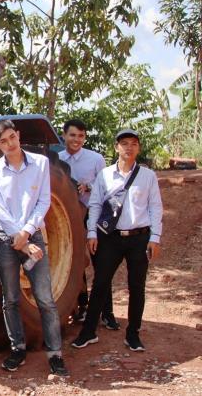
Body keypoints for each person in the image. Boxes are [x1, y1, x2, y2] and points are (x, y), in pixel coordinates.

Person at [0, 119, 69, 377]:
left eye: (12, 137)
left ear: (18, 135)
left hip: (32, 237)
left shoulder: (40, 163)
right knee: (10, 298)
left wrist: (26, 233)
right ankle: (17, 348)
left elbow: (43, 201)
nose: (10, 143)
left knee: (45, 298)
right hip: (5, 240)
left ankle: (55, 354)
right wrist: (19, 239)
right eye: (3, 141)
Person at [71, 129, 163, 352]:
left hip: (139, 238)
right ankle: (88, 332)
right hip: (109, 238)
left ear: (138, 148)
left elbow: (155, 207)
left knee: (137, 286)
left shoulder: (148, 176)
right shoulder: (104, 175)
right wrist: (92, 233)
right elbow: (95, 205)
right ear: (116, 147)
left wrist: (155, 237)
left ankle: (133, 334)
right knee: (100, 283)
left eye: (133, 143)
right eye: (124, 143)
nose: (129, 147)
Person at [59, 119, 115, 328]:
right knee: (74, 260)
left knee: (101, 262)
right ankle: (82, 306)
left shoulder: (95, 159)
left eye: (81, 136)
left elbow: (106, 186)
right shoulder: (57, 159)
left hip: (92, 214)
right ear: (64, 135)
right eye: (73, 135)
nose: (77, 140)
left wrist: (88, 186)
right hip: (67, 216)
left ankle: (107, 312)